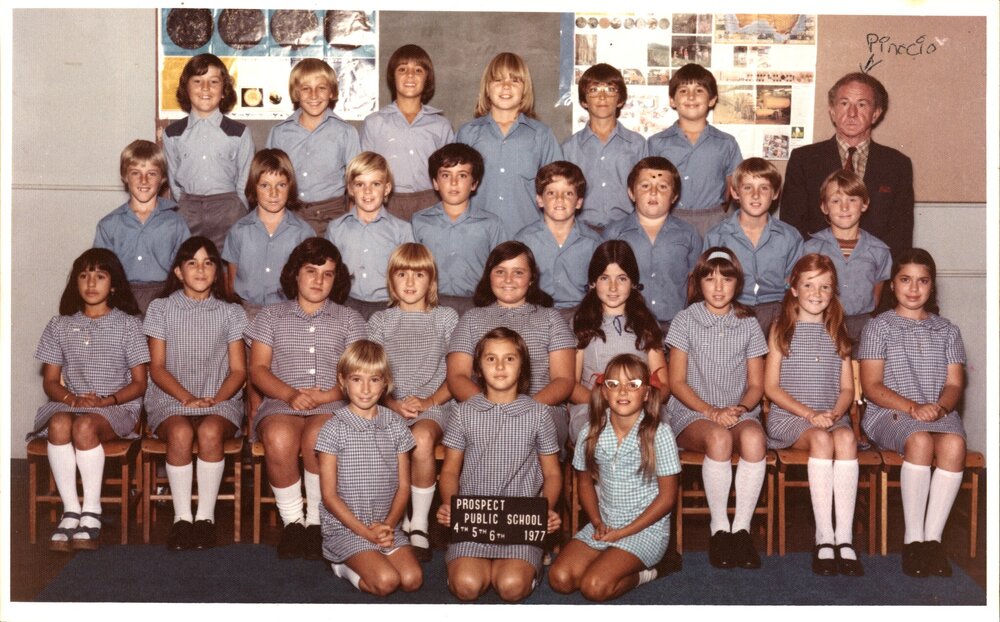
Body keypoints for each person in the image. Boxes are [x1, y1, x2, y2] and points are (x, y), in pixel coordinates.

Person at [245, 238, 367, 560]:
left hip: (334, 401)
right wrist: (290, 394)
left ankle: (316, 522)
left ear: (336, 279)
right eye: (311, 271)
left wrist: (329, 394)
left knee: (320, 436)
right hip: (281, 401)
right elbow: (257, 369)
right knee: (280, 436)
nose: (318, 280)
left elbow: (360, 374)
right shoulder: (271, 316)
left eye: (327, 274)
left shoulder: (350, 319)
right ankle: (292, 524)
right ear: (295, 274)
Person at [28, 248, 149, 552]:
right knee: (58, 422)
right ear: (75, 283)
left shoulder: (129, 325)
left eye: (99, 276)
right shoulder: (60, 325)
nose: (91, 283)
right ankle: (71, 511)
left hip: (117, 407)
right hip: (72, 403)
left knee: (83, 427)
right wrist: (71, 398)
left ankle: (92, 510)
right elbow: (51, 381)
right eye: (84, 276)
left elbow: (139, 383)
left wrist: (109, 400)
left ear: (114, 285)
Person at [859, 248, 967, 578]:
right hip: (888, 411)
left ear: (932, 286)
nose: (914, 288)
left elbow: (953, 384)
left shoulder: (947, 330)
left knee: (954, 445)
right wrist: (912, 407)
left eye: (923, 281)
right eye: (906, 280)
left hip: (936, 411)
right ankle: (912, 540)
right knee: (919, 441)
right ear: (893, 284)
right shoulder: (879, 327)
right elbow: (871, 385)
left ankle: (932, 541)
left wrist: (941, 407)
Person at [437, 327, 562, 602]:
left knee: (510, 587)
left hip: (520, 522)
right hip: (473, 520)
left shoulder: (539, 414)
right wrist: (450, 505)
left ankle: (534, 559)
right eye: (491, 359)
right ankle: (463, 562)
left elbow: (552, 473)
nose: (500, 366)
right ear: (478, 368)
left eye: (510, 358)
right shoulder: (464, 412)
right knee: (466, 586)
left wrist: (545, 510)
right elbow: (449, 471)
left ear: (523, 366)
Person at [665, 247, 769, 570]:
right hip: (694, 412)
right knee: (720, 439)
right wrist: (712, 413)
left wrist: (739, 409)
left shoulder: (748, 323)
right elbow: (677, 382)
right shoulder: (686, 320)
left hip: (737, 411)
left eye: (727, 278)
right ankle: (719, 528)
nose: (719, 287)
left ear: (738, 282)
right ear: (699, 282)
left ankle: (742, 530)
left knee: (754, 439)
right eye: (710, 279)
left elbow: (756, 385)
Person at [143, 236, 248, 551]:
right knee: (179, 432)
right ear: (178, 272)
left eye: (208, 263)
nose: (200, 270)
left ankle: (205, 518)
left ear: (217, 272)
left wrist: (216, 399)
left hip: (220, 397)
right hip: (171, 397)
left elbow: (239, 371)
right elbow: (157, 368)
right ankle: (181, 519)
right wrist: (187, 398)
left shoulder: (231, 313)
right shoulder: (160, 309)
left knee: (211, 430)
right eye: (192, 263)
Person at [549, 354, 680, 601]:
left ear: (647, 394)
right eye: (613, 384)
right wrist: (598, 522)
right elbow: (584, 482)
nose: (622, 391)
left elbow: (667, 499)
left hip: (646, 530)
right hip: (606, 524)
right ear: (604, 393)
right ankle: (610, 558)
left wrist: (623, 533)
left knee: (594, 587)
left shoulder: (658, 434)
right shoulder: (591, 432)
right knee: (560, 579)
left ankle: (652, 571)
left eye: (633, 385)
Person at [763, 253, 862, 576]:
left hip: (830, 416)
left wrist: (834, 412)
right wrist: (810, 414)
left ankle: (844, 539)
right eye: (809, 285)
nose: (816, 293)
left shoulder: (837, 331)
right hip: (791, 418)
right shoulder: (781, 330)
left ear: (833, 292)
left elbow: (847, 389)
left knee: (845, 437)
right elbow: (772, 388)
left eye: (825, 287)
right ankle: (824, 537)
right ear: (793, 288)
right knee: (821, 440)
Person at [367, 243, 457, 562]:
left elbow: (458, 375)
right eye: (401, 274)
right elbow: (369, 374)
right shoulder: (380, 321)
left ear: (430, 281)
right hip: (387, 405)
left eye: (418, 275)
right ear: (391, 280)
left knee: (420, 437)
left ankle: (418, 524)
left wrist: (429, 400)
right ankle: (390, 518)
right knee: (375, 436)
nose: (409, 282)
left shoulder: (445, 318)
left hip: (436, 405)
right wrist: (392, 403)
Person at [447, 241, 576, 453]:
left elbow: (564, 380)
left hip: (541, 407)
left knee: (527, 431)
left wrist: (524, 408)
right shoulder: (472, 319)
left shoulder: (550, 318)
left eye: (518, 272)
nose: (508, 280)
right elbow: (457, 376)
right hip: (481, 407)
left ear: (531, 278)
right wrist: (489, 408)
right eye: (500, 272)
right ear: (489, 276)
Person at [316, 340, 422, 595]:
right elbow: (329, 497)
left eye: (374, 380)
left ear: (385, 383)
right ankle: (341, 565)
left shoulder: (396, 425)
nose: (365, 389)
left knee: (411, 579)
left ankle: (375, 553)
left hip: (386, 525)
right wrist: (366, 533)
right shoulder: (333, 429)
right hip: (347, 527)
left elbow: (404, 488)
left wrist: (387, 527)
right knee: (386, 582)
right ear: (342, 381)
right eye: (356, 379)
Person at [779, 72, 914, 257]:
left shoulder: (897, 165)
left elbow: (901, 233)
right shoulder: (804, 160)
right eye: (844, 103)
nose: (852, 113)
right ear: (832, 112)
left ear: (875, 114)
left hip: (875, 273)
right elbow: (792, 226)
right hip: (816, 271)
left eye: (861, 104)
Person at [568, 240, 667, 441]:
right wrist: (605, 402)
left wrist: (640, 402)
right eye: (605, 278)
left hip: (640, 405)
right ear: (593, 282)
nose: (613, 287)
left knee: (652, 433)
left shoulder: (646, 322)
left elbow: (662, 381)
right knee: (599, 435)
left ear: (633, 283)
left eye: (622, 278)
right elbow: (571, 383)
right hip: (594, 406)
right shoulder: (581, 323)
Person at [456, 52, 562, 239]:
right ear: (487, 88)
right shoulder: (468, 133)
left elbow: (557, 188)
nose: (506, 86)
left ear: (525, 90)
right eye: (498, 80)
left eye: (515, 81)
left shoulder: (541, 135)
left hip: (527, 237)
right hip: (477, 236)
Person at [163, 54, 253, 252]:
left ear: (223, 91)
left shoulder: (239, 133)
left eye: (213, 82)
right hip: (188, 209)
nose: (205, 88)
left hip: (228, 209)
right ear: (186, 89)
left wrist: (238, 208)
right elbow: (174, 182)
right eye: (197, 81)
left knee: (228, 267)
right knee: (190, 261)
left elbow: (244, 181)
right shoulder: (172, 134)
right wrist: (185, 206)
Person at [703, 157, 804, 334]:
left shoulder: (790, 236)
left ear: (775, 193)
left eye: (764, 188)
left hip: (777, 313)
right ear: (735, 193)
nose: (755, 195)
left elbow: (796, 283)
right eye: (747, 187)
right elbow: (708, 282)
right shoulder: (717, 236)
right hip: (732, 310)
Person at [603, 157, 701, 336]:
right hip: (627, 325)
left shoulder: (689, 234)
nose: (654, 192)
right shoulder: (614, 233)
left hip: (676, 326)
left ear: (674, 196)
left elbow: (693, 283)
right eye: (645, 186)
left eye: (663, 186)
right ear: (631, 193)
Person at [93, 139, 190, 314]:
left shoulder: (176, 223)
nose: (144, 180)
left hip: (165, 298)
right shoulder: (109, 224)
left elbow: (185, 270)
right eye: (136, 173)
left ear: (163, 178)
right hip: (122, 298)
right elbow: (101, 272)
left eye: (151, 173)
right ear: (124, 176)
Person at [267, 58, 361, 236]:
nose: (314, 95)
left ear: (332, 92)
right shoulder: (279, 133)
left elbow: (356, 183)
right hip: (290, 215)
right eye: (305, 88)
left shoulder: (346, 133)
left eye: (322, 88)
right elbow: (267, 179)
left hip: (332, 216)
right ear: (296, 93)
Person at [647, 63, 742, 237]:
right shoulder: (657, 143)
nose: (691, 97)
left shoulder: (726, 143)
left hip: (713, 220)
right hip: (669, 219)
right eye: (683, 90)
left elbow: (733, 185)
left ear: (712, 100)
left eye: (699, 90)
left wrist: (718, 212)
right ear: (672, 100)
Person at [361, 44, 454, 221]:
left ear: (427, 78)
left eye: (418, 70)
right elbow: (365, 171)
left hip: (431, 202)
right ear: (392, 77)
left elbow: (449, 173)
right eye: (402, 69)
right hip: (387, 203)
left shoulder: (441, 125)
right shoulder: (375, 123)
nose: (410, 75)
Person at [411, 143, 504, 316]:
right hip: (431, 305)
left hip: (477, 306)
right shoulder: (419, 221)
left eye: (462, 175)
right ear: (435, 183)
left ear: (474, 183)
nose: (454, 182)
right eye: (446, 175)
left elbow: (501, 269)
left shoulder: (491, 224)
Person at [804, 169, 892, 348]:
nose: (844, 207)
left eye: (852, 200)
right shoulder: (811, 248)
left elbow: (876, 295)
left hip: (863, 327)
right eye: (836, 201)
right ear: (824, 207)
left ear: (865, 204)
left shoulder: (879, 250)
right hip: (821, 323)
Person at [222, 148, 313, 320]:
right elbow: (232, 283)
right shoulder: (239, 231)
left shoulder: (304, 233)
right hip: (247, 312)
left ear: (290, 186)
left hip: (289, 313)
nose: (273, 193)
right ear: (253, 188)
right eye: (265, 185)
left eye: (281, 185)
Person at [325, 151, 414, 320]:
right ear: (351, 189)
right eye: (360, 184)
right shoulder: (336, 228)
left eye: (375, 184)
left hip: (388, 307)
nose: (368, 191)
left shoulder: (402, 230)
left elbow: (409, 275)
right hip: (346, 304)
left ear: (386, 188)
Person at [561, 63, 647, 232]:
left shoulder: (637, 144)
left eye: (610, 89)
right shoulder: (569, 148)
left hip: (627, 229)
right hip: (582, 230)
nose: (602, 97)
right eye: (593, 90)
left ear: (620, 99)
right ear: (584, 101)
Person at [515, 161, 602, 318]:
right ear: (540, 200)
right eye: (551, 193)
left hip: (581, 314)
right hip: (534, 313)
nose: (560, 199)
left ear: (579, 202)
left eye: (568, 193)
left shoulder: (594, 243)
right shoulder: (524, 240)